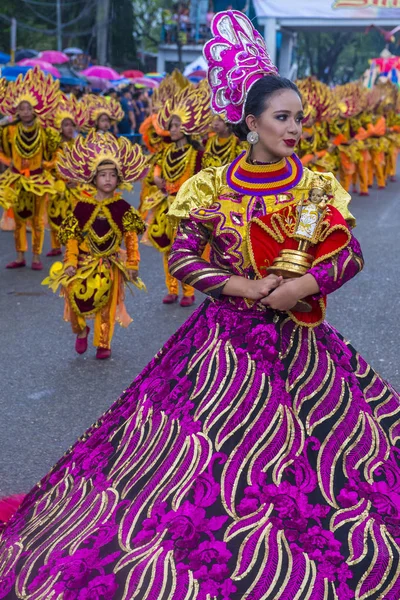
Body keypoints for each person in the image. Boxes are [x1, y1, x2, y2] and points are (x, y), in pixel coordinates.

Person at [1, 12, 400, 599]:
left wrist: (300, 287)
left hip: (301, 343)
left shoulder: (314, 186)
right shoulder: (212, 186)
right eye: (282, 118)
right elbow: (185, 259)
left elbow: (346, 255)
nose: (294, 129)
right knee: (187, 463)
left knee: (324, 460)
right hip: (223, 346)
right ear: (251, 122)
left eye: (299, 119)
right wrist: (242, 288)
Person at [41, 131, 147, 360]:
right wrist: (69, 261)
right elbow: (71, 237)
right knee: (75, 299)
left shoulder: (123, 208)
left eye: (112, 175)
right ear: (93, 178)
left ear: (119, 179)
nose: (108, 179)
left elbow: (130, 239)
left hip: (110, 264)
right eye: (103, 175)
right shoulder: (82, 207)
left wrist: (132, 262)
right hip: (83, 263)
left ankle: (102, 343)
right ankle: (81, 330)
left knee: (106, 308)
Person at [142, 81, 212, 307]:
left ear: (187, 127)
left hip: (188, 208)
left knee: (186, 249)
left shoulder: (198, 154)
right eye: (170, 125)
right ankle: (171, 288)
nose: (172, 129)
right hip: (165, 205)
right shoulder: (166, 151)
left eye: (176, 125)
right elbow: (155, 170)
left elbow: (205, 181)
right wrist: (156, 177)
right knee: (166, 248)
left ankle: (188, 290)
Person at [0, 66, 60, 270]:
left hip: (38, 180)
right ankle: (19, 256)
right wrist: (4, 122)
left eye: (28, 108)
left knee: (36, 220)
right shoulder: (10, 130)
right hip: (16, 179)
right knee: (18, 220)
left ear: (35, 109)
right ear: (16, 111)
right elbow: (6, 151)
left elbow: (52, 151)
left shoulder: (44, 130)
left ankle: (35, 256)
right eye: (21, 109)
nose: (25, 112)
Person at [44, 95, 88, 257]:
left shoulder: (78, 145)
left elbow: (84, 166)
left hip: (75, 188)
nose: (69, 128)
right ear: (59, 127)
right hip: (56, 186)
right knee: (54, 215)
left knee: (74, 217)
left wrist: (75, 180)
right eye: (65, 125)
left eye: (71, 125)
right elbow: (49, 164)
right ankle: (56, 246)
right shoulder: (54, 145)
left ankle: (73, 245)